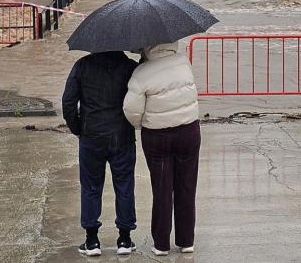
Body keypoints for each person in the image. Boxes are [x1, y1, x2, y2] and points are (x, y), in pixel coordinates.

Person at [123, 41, 201, 256]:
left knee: (162, 188)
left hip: (157, 136)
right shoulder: (184, 62)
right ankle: (186, 241)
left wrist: (142, 125)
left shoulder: (141, 72)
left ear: (147, 46)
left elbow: (131, 109)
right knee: (187, 186)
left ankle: (161, 244)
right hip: (189, 131)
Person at [62, 51, 139, 256]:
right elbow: (137, 102)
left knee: (91, 187)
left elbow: (68, 103)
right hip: (121, 135)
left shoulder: (82, 66)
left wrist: (78, 129)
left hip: (91, 136)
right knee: (124, 185)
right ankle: (124, 239)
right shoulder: (129, 67)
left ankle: (92, 241)